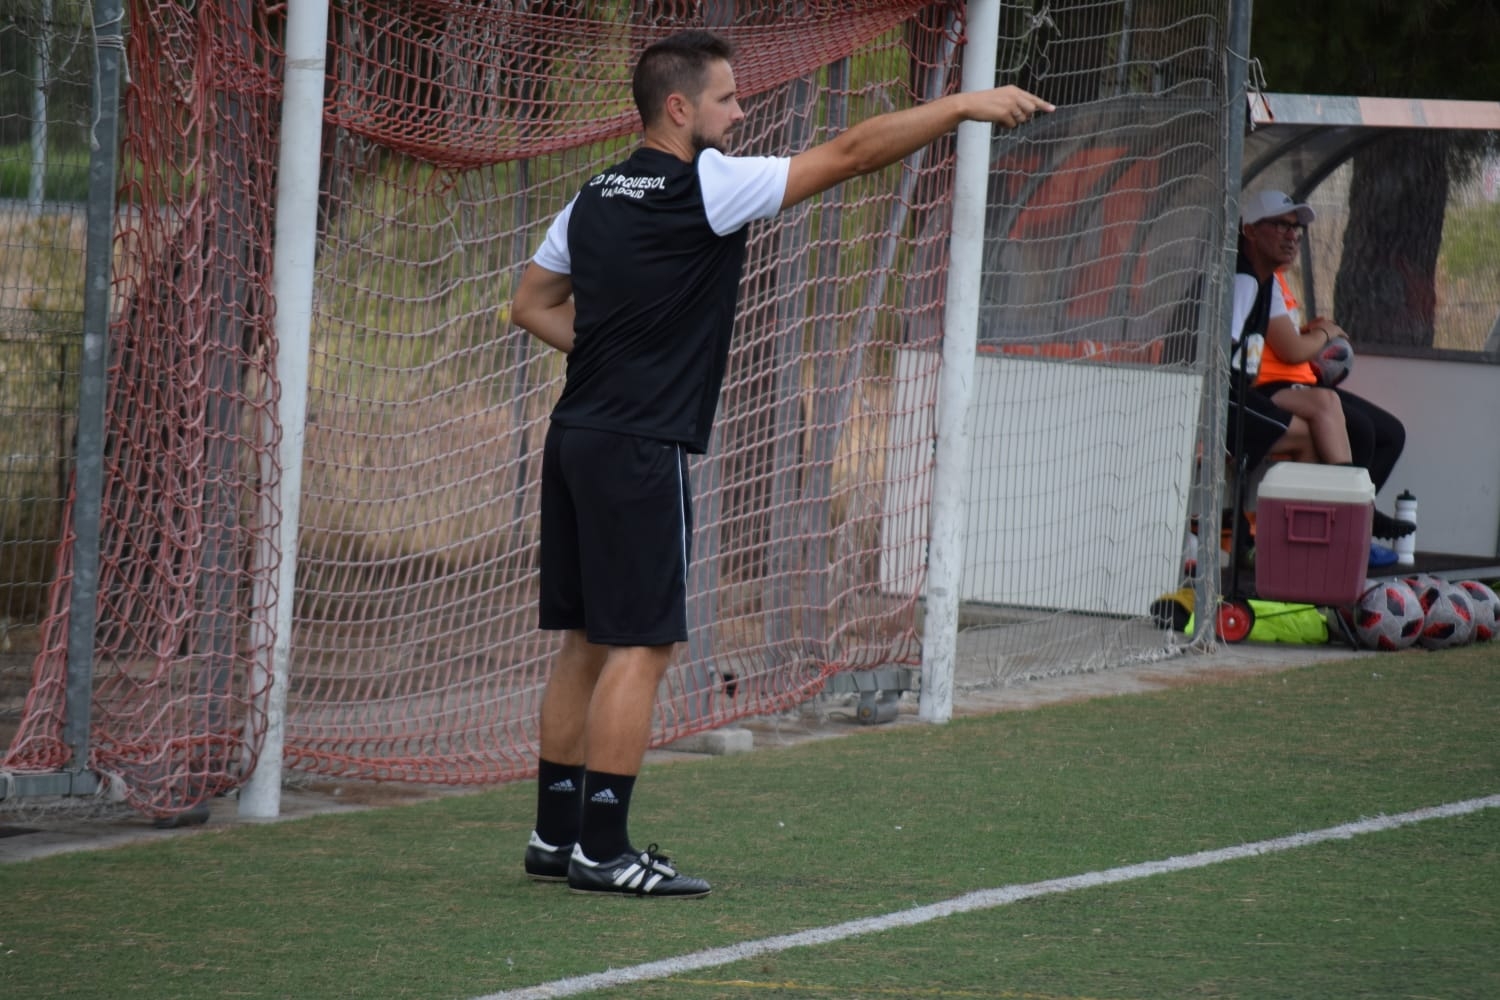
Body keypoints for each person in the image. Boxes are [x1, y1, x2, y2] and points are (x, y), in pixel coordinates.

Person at [510, 30, 1053, 898]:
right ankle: (602, 851)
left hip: (578, 437)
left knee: (583, 641)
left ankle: (553, 836)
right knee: (642, 648)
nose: (740, 111)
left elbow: (529, 303)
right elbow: (849, 152)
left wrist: (613, 356)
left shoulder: (591, 195)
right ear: (679, 109)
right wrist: (961, 105)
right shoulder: (708, 181)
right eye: (727, 99)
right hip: (640, 449)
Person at [1237, 189, 1414, 550]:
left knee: (1381, 430)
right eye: (1281, 226)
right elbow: (1284, 350)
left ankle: (1338, 528)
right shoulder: (1243, 279)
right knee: (1351, 425)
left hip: (1269, 386)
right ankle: (1348, 520)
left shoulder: (1267, 279)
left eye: (1296, 229)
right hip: (1251, 391)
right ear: (1249, 231)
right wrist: (1324, 332)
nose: (1292, 236)